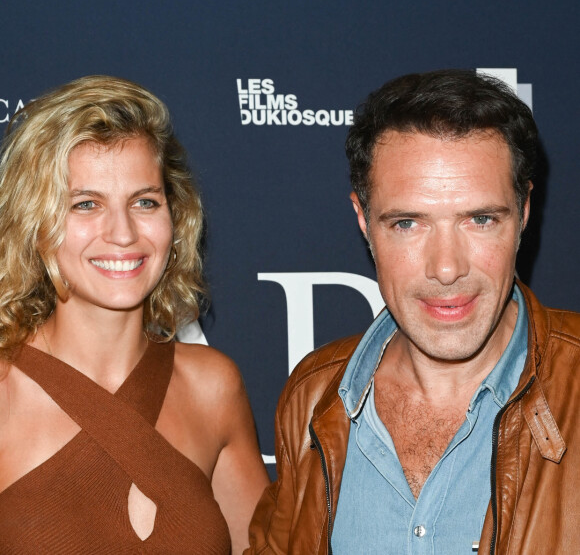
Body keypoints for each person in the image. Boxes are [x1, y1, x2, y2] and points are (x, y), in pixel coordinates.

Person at [246, 69, 580, 554]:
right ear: (363, 219)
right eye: (407, 223)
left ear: (524, 211)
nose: (446, 268)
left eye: (480, 219)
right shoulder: (314, 395)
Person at [0, 75, 269, 554]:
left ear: (175, 215)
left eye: (144, 202)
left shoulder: (213, 386)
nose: (123, 234)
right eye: (86, 204)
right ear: (34, 224)